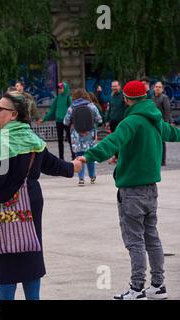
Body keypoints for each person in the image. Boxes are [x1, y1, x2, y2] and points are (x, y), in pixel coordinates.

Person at [0, 91, 82, 300]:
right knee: (30, 249)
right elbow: (50, 163)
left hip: (5, 204)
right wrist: (72, 167)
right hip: (31, 200)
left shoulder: (4, 141)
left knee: (5, 256)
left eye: (0, 109)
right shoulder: (31, 138)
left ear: (14, 115)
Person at [77, 80, 180, 300]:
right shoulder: (154, 119)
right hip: (151, 189)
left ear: (126, 98)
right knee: (152, 238)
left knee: (135, 241)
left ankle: (136, 288)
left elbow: (112, 142)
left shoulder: (130, 122)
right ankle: (158, 285)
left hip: (132, 191)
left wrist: (88, 156)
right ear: (146, 96)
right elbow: (172, 133)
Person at [64, 89, 102, 186]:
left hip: (76, 137)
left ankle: (81, 179)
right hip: (90, 135)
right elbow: (99, 119)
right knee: (90, 155)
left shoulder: (71, 108)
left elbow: (66, 122)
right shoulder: (92, 106)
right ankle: (92, 176)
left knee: (79, 156)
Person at [38, 82, 75, 160]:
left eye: (61, 88)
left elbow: (72, 110)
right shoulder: (57, 98)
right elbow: (52, 110)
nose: (59, 89)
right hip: (58, 122)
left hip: (67, 122)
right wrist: (44, 119)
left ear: (65, 88)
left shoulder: (68, 98)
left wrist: (74, 121)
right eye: (59, 88)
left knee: (70, 139)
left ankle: (73, 155)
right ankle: (61, 158)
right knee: (60, 141)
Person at [152, 82, 172, 166]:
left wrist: (167, 123)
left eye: (159, 87)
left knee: (162, 142)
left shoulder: (164, 98)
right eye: (156, 87)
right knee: (154, 142)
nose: (157, 88)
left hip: (162, 123)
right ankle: (156, 159)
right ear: (153, 88)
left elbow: (167, 110)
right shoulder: (152, 98)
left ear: (162, 89)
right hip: (153, 123)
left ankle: (162, 161)